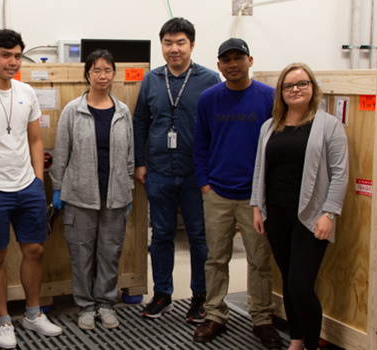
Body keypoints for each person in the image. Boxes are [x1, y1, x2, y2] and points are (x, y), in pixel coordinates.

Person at [0, 29, 63, 349]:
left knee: (35, 249)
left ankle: (32, 314)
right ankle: (4, 320)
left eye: (17, 55)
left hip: (27, 187)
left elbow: (35, 138)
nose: (12, 61)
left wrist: (36, 179)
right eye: (5, 55)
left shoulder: (26, 92)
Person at [250, 62, 349, 350]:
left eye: (302, 84)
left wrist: (329, 213)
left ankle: (312, 344)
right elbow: (260, 168)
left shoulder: (328, 125)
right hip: (276, 216)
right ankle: (296, 340)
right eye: (289, 85)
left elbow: (341, 172)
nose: (295, 89)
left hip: (311, 217)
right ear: (280, 91)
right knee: (289, 285)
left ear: (312, 88)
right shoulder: (270, 126)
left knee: (300, 286)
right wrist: (258, 207)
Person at [192, 38, 281, 348]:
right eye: (226, 59)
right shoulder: (209, 98)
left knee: (259, 260)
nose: (232, 64)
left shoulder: (269, 98)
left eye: (238, 58)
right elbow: (200, 143)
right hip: (216, 192)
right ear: (219, 65)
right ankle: (215, 313)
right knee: (216, 259)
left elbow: (277, 146)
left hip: (255, 197)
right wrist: (204, 182)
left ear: (250, 60)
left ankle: (261, 318)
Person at [132, 17, 220, 322]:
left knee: (198, 236)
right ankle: (163, 294)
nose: (174, 49)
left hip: (197, 173)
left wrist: (212, 171)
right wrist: (140, 163)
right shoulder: (151, 80)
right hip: (158, 170)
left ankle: (200, 296)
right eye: (168, 43)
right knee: (162, 235)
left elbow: (217, 128)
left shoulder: (209, 81)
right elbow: (141, 121)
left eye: (180, 42)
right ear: (162, 46)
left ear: (192, 45)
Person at [50, 49, 134, 331]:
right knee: (82, 255)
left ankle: (107, 304)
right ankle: (86, 306)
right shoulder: (73, 111)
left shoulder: (122, 112)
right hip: (79, 198)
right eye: (96, 70)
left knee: (110, 254)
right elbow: (61, 153)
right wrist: (58, 189)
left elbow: (130, 156)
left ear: (114, 74)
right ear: (87, 75)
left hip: (115, 198)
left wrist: (128, 188)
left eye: (107, 70)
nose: (102, 75)